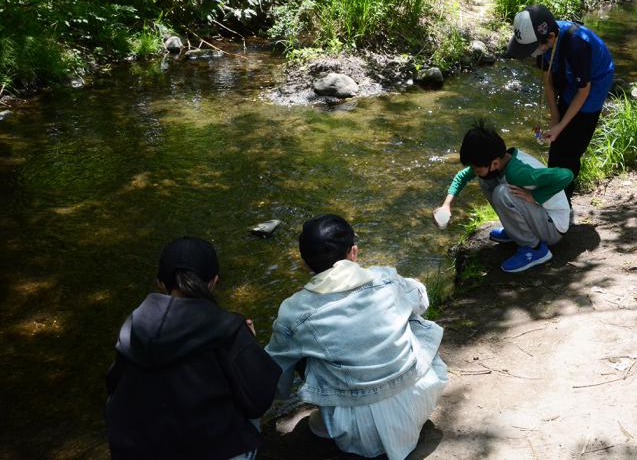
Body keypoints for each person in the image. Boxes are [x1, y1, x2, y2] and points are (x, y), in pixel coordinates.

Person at [265, 215, 447, 460]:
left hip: (356, 432)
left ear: (305, 263)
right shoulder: (386, 278)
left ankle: (333, 412)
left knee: (298, 349)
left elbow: (276, 374)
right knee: (410, 316)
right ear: (354, 252)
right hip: (420, 398)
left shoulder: (294, 310)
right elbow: (421, 299)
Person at [105, 236, 281, 460]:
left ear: (160, 283)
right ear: (214, 280)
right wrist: (249, 345)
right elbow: (259, 399)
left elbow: (113, 388)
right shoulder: (229, 328)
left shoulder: (132, 327)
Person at [506, 4, 614, 203]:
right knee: (557, 147)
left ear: (551, 38)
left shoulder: (577, 45)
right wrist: (555, 118)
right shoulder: (543, 45)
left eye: (532, 49)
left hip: (593, 85)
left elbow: (583, 91)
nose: (531, 54)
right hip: (571, 76)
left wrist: (561, 126)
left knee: (572, 148)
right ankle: (552, 194)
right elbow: (548, 80)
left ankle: (564, 201)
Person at [435, 119, 573, 273]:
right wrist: (446, 205)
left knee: (502, 193)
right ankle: (516, 231)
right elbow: (462, 176)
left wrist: (535, 196)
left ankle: (535, 249)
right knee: (485, 181)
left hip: (553, 228)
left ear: (494, 163)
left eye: (477, 169)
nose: (474, 172)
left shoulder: (519, 173)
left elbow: (566, 175)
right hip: (540, 217)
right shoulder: (498, 160)